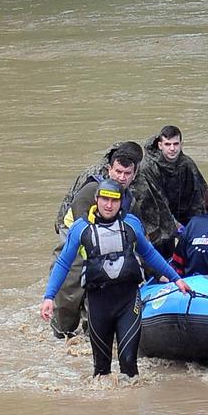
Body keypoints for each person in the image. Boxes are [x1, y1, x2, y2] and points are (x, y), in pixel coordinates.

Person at [41, 179, 189, 378]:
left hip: (128, 301)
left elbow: (150, 254)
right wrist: (49, 297)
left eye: (114, 200)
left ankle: (130, 407)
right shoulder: (80, 228)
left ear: (121, 202)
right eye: (104, 199)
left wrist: (176, 279)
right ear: (96, 200)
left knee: (129, 364)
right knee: (101, 371)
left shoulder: (131, 224)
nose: (108, 205)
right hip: (98, 301)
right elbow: (63, 263)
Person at [50, 141, 176, 338]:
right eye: (118, 172)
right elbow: (84, 235)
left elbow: (138, 241)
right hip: (76, 234)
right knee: (71, 285)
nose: (121, 177)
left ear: (134, 175)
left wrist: (156, 272)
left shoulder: (130, 201)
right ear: (110, 170)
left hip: (107, 237)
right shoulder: (90, 191)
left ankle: (92, 331)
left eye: (127, 174)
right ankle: (61, 330)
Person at [141, 125, 208, 246]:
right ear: (160, 145)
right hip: (156, 218)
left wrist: (203, 224)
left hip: (179, 212)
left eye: (175, 144)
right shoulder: (148, 167)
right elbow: (157, 201)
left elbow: (199, 195)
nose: (172, 149)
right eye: (167, 144)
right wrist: (175, 225)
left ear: (181, 144)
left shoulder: (187, 164)